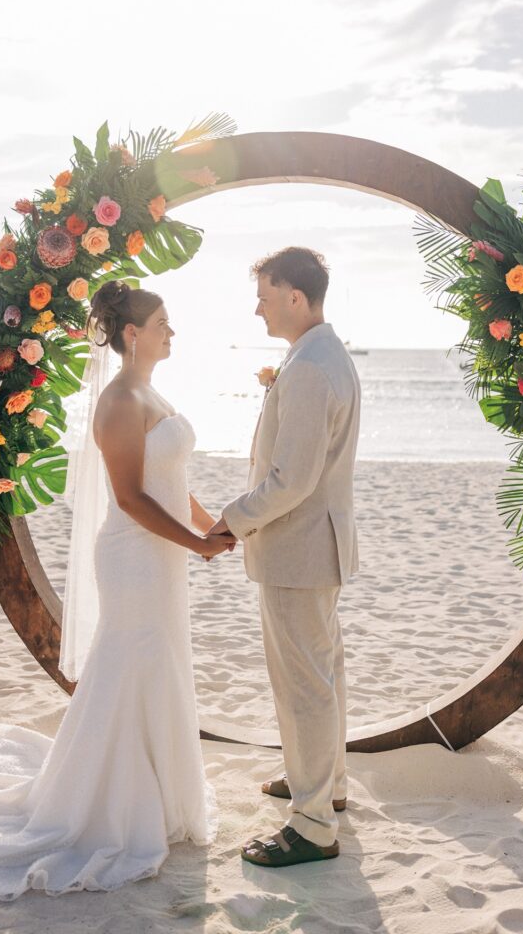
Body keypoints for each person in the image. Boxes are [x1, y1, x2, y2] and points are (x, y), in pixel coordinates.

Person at [0, 280, 232, 901]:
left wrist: (212, 525)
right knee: (131, 664)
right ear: (132, 333)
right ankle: (112, 802)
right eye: (163, 324)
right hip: (135, 558)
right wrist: (197, 543)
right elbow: (130, 497)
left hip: (165, 554)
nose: (171, 333)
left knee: (163, 660)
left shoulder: (152, 390)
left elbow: (170, 477)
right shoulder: (121, 400)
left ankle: (162, 791)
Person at [208, 247, 361, 868]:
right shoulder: (324, 354)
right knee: (323, 675)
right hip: (318, 544)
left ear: (296, 297)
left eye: (266, 297)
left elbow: (290, 479)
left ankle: (313, 825)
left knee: (305, 687)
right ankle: (328, 787)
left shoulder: (307, 369)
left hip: (299, 548)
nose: (259, 308)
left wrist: (232, 521)